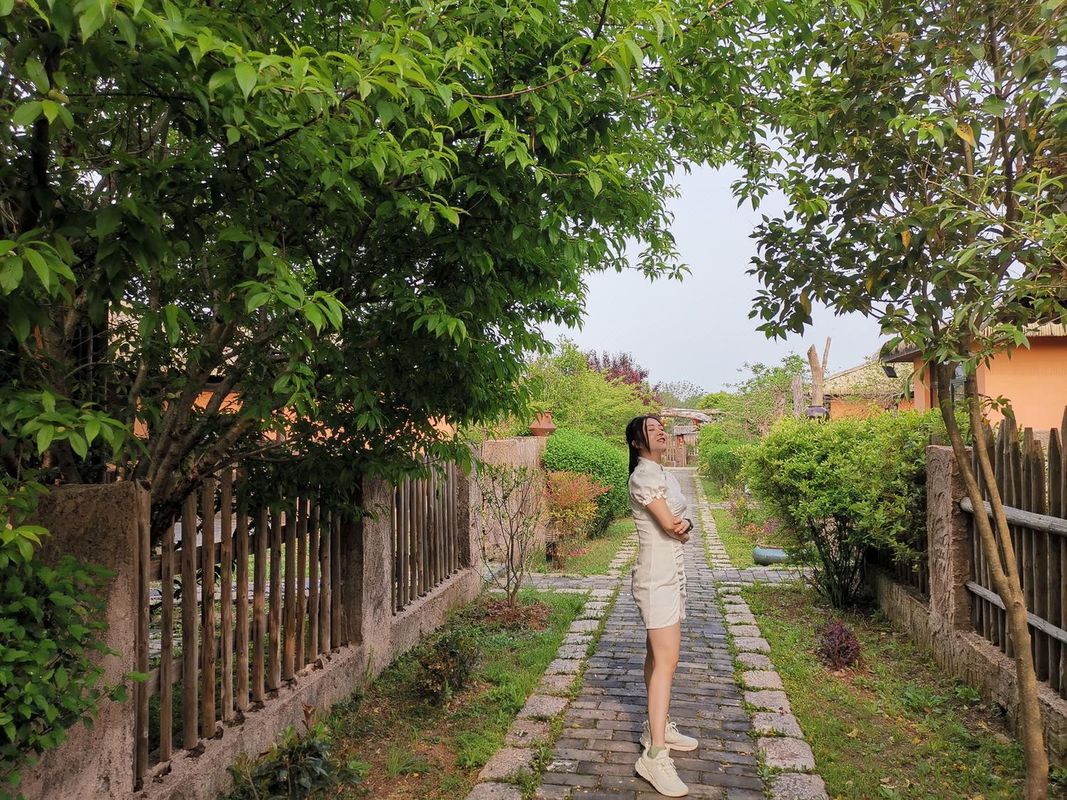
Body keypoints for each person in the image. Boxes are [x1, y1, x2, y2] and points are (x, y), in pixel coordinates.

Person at [625, 415, 698, 797]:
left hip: (671, 574)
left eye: (661, 428)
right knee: (667, 660)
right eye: (651, 430)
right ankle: (654, 755)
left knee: (657, 657)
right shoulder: (643, 477)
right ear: (637, 442)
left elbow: (681, 522)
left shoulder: (663, 475)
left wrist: (683, 525)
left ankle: (657, 726)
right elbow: (672, 525)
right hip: (656, 579)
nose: (660, 432)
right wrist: (679, 526)